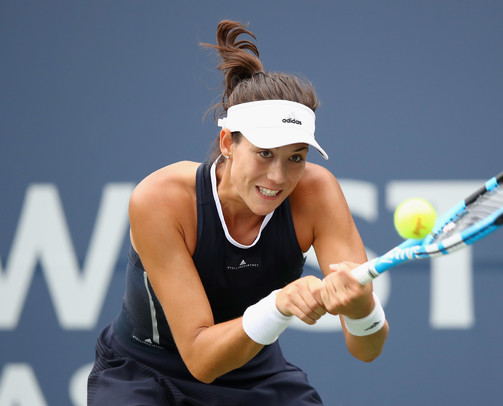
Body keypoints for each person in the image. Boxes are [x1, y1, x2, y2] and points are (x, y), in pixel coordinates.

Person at [87, 20, 388, 405]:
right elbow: (201, 359)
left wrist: (362, 307)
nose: (278, 177)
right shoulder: (161, 199)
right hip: (145, 374)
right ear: (228, 142)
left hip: (255, 372)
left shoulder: (317, 191)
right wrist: (278, 305)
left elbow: (367, 349)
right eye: (265, 153)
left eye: (296, 157)